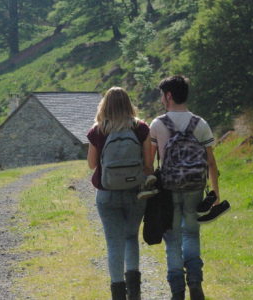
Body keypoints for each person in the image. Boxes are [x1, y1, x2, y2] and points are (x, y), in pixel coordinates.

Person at [149, 76, 223, 300]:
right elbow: (211, 162)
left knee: (172, 238)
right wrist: (215, 193)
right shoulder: (200, 124)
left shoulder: (158, 124)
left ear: (169, 96)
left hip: (168, 188)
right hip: (194, 186)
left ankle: (177, 291)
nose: (161, 99)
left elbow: (149, 163)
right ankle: (195, 281)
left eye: (162, 95)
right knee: (191, 233)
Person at [87, 87, 154, 300]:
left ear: (105, 105)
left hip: (107, 195)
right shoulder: (141, 128)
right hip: (135, 192)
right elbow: (148, 164)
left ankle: (118, 294)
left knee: (113, 243)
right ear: (128, 104)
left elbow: (91, 164)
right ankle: (135, 292)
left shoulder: (98, 131)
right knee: (130, 237)